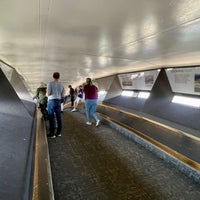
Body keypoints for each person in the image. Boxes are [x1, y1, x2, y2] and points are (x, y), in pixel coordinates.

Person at [46, 72, 65, 138]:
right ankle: (59, 133)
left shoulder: (50, 84)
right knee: (59, 117)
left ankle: (52, 134)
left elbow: (48, 94)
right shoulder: (61, 85)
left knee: (51, 117)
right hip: (58, 101)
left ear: (53, 77)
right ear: (59, 77)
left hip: (51, 101)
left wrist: (46, 94)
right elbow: (63, 95)